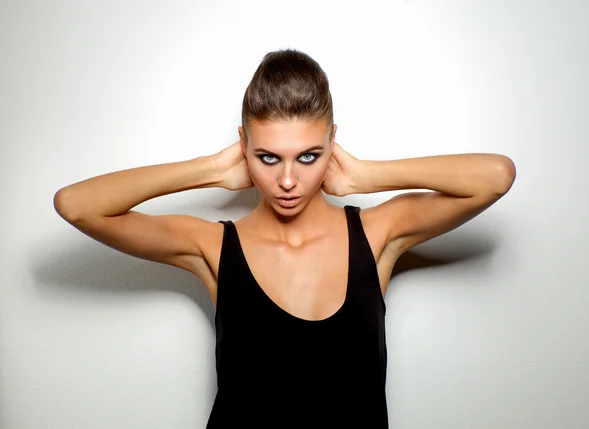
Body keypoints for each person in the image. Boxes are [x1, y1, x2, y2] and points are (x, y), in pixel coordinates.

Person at [54, 48, 516, 428]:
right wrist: (212, 169)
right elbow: (76, 204)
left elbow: (495, 176)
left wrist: (365, 176)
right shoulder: (215, 247)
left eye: (310, 156)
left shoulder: (375, 234)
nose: (289, 180)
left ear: (333, 143)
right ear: (244, 147)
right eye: (269, 158)